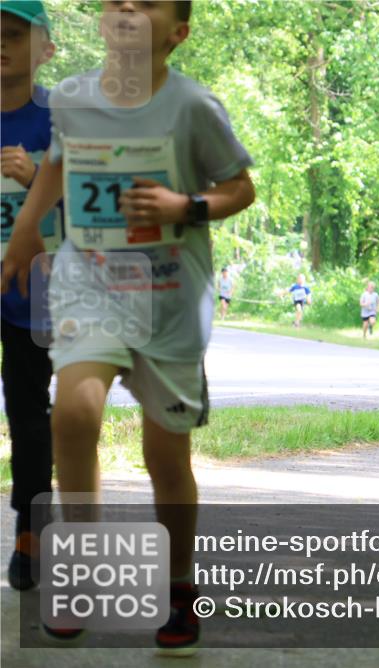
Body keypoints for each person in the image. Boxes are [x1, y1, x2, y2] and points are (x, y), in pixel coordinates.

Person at [1, 0, 255, 654]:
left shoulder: (195, 107)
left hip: (170, 297)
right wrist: (26, 235)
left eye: (145, 3)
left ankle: (177, 585)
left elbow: (240, 189)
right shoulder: (75, 99)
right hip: (92, 282)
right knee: (73, 415)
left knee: (164, 457)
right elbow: (58, 166)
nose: (125, 8)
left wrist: (186, 204)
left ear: (177, 33)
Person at [1, 0, 56, 592]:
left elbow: (96, 205)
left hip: (38, 290)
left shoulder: (61, 120)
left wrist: (34, 181)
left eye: (13, 34)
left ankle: (30, 533)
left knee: (29, 414)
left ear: (44, 48)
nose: (1, 44)